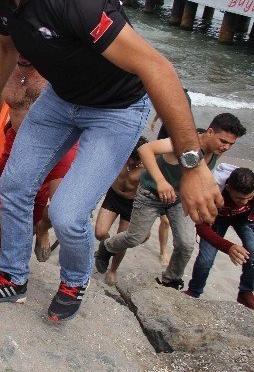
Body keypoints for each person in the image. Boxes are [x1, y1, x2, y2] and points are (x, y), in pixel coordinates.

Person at [0, 0, 222, 322]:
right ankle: (13, 277)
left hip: (116, 109)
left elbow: (158, 68)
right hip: (61, 98)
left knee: (68, 213)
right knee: (15, 186)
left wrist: (192, 166)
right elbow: (5, 48)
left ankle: (75, 279)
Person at [96, 113, 246, 290]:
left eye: (231, 144)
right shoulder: (183, 143)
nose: (226, 147)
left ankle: (171, 279)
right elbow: (145, 150)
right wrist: (160, 181)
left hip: (178, 199)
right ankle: (107, 247)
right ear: (210, 132)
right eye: (223, 141)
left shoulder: (214, 152)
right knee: (135, 237)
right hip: (151, 193)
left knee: (186, 243)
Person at [0, 55, 77, 263]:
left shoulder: (58, 64)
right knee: (6, 204)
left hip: (59, 143)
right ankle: (6, 263)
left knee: (62, 210)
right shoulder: (1, 63)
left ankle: (42, 227)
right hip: (17, 143)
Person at [184, 166, 254, 309]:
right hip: (216, 218)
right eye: (240, 198)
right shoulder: (212, 191)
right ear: (228, 188)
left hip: (243, 218)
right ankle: (194, 291)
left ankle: (245, 291)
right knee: (206, 259)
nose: (245, 202)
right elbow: (202, 228)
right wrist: (229, 247)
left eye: (249, 198)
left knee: (253, 250)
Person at [94, 137, 149, 285]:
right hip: (113, 197)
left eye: (136, 159)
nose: (131, 162)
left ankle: (113, 270)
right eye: (131, 157)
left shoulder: (148, 168)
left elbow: (154, 194)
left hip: (131, 204)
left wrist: (146, 224)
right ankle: (105, 249)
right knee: (100, 233)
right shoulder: (119, 156)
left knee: (122, 240)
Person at [151, 88, 192, 266]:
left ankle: (163, 251)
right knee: (164, 220)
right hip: (159, 172)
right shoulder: (166, 125)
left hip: (172, 180)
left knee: (166, 221)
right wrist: (154, 120)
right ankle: (163, 251)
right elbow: (162, 108)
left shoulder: (183, 132)